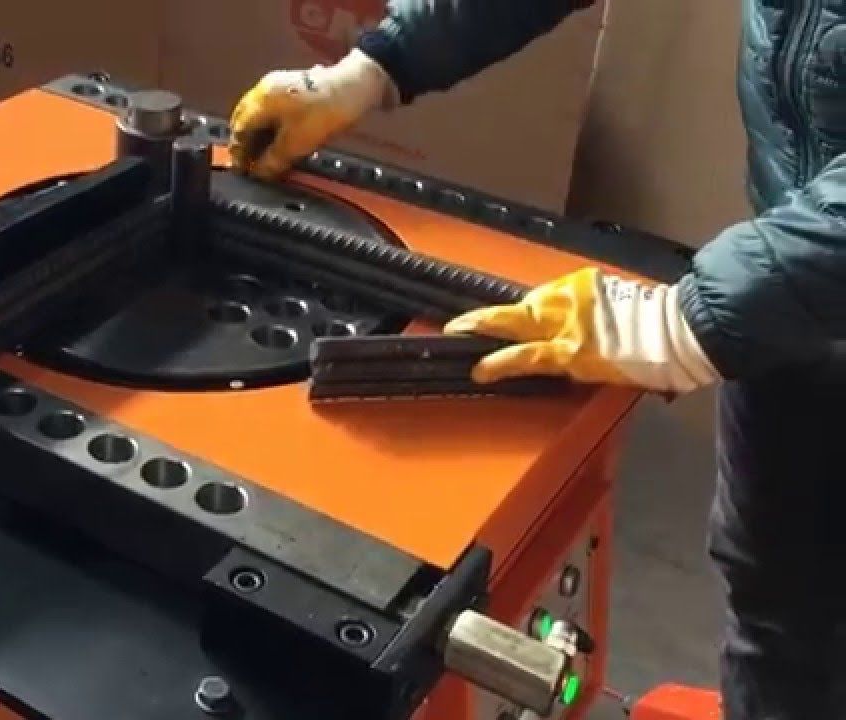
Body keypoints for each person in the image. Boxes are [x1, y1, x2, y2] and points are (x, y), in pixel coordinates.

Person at [229, 2, 846, 718]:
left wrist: (686, 321)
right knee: (779, 599)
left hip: (790, 282)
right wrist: (374, 68)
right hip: (791, 295)